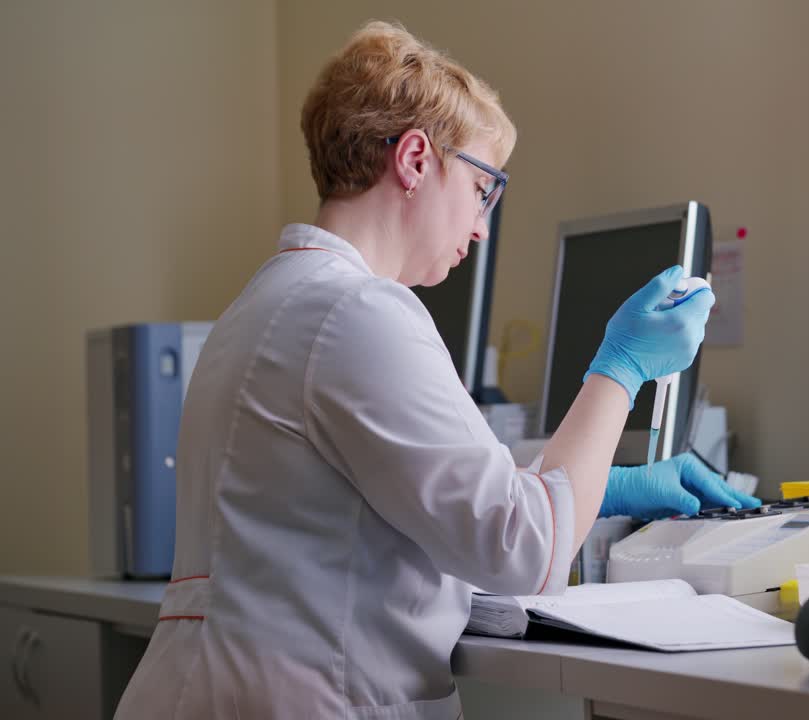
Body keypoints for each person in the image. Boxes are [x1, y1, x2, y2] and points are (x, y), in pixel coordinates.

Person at [115, 20, 759, 720]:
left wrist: (596, 490)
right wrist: (623, 368)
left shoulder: (269, 301)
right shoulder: (358, 311)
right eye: (484, 187)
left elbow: (378, 493)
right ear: (416, 159)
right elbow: (527, 552)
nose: (482, 226)